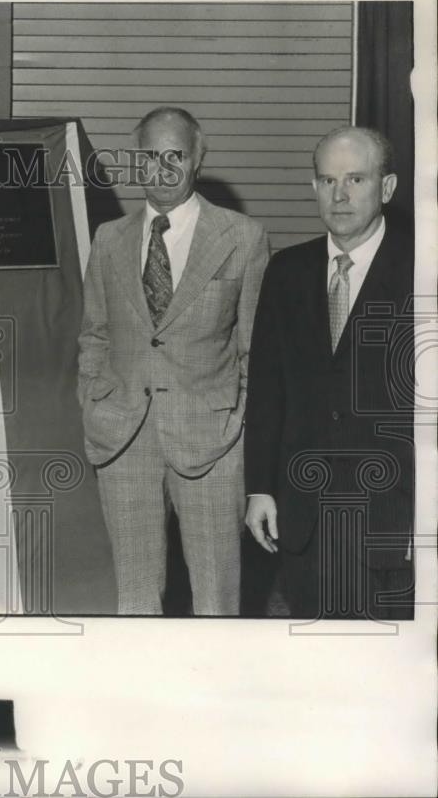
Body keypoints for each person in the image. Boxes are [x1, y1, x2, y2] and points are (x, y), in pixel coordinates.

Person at [78, 106, 270, 615]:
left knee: (216, 596)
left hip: (212, 441)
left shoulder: (243, 238)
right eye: (149, 155)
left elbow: (255, 347)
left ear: (198, 158)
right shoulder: (108, 239)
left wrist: (237, 418)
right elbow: (94, 334)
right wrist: (93, 402)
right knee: (135, 598)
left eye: (175, 155)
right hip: (122, 437)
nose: (161, 169)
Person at [244, 126, 414, 620]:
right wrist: (261, 487)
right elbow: (267, 390)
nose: (339, 195)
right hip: (305, 516)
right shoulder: (286, 271)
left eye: (356, 179)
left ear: (387, 188)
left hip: (392, 517)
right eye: (327, 180)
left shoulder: (423, 269)